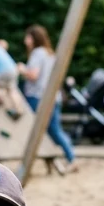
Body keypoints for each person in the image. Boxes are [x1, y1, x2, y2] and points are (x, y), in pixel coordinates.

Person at [17, 25, 77, 172]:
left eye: (28, 37)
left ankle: (70, 158)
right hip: (52, 97)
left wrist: (22, 69)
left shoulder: (37, 53)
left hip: (38, 97)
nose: (25, 40)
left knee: (36, 130)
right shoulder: (50, 53)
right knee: (53, 130)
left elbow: (34, 75)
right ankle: (63, 159)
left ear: (34, 38)